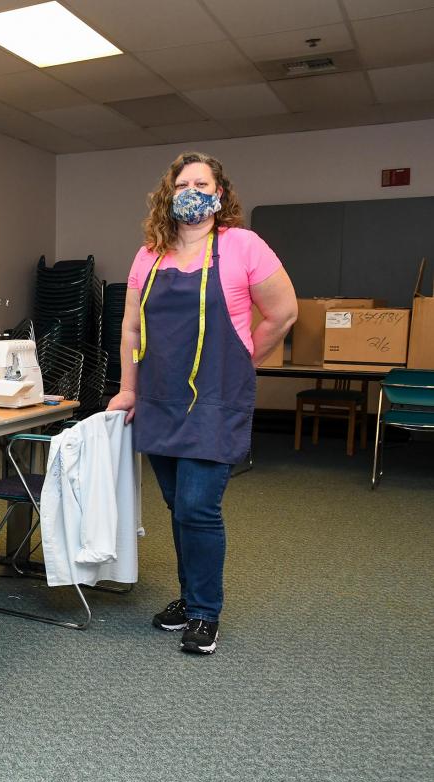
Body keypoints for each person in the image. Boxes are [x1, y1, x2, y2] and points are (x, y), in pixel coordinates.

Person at [107, 152, 297, 655]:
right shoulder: (149, 253)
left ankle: (206, 611)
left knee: (197, 506)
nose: (191, 189)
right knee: (177, 505)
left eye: (202, 182)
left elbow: (283, 312)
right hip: (160, 397)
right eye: (182, 182)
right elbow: (131, 327)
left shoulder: (243, 246)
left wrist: (243, 361)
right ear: (168, 194)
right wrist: (129, 388)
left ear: (219, 193)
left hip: (216, 398)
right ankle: (191, 598)